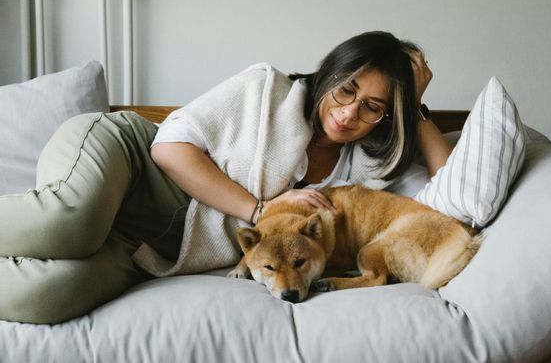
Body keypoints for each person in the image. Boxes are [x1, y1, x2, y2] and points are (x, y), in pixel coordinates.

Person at [0, 31, 452, 324]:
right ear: (330, 74)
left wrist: (411, 102)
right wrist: (257, 209)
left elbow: (453, 188)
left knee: (43, 298)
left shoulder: (364, 168)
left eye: (373, 106)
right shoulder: (266, 90)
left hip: (151, 248)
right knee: (69, 223)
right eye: (346, 89)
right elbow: (169, 147)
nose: (350, 112)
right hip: (132, 164)